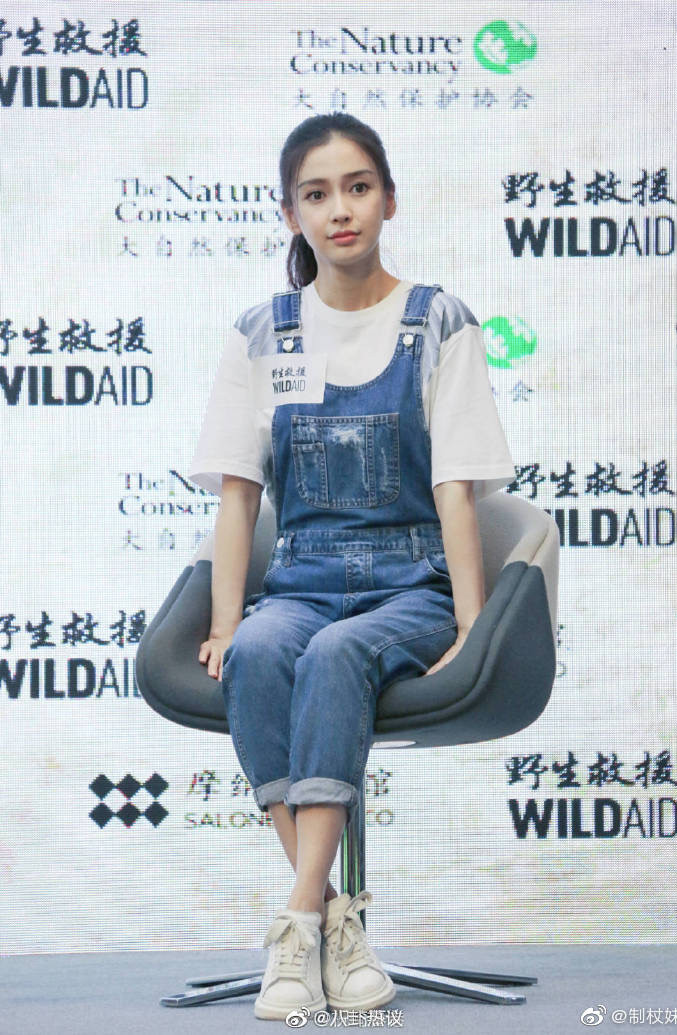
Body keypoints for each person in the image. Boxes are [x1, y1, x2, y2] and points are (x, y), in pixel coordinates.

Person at [188, 112, 515, 1021]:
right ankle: (335, 923)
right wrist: (226, 623)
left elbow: (457, 490)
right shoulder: (263, 332)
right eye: (318, 193)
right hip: (300, 580)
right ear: (289, 211)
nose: (341, 209)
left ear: (389, 200)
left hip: (410, 586)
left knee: (335, 655)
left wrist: (473, 626)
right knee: (260, 653)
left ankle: (295, 923)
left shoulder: (438, 321)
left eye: (359, 187)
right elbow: (238, 495)